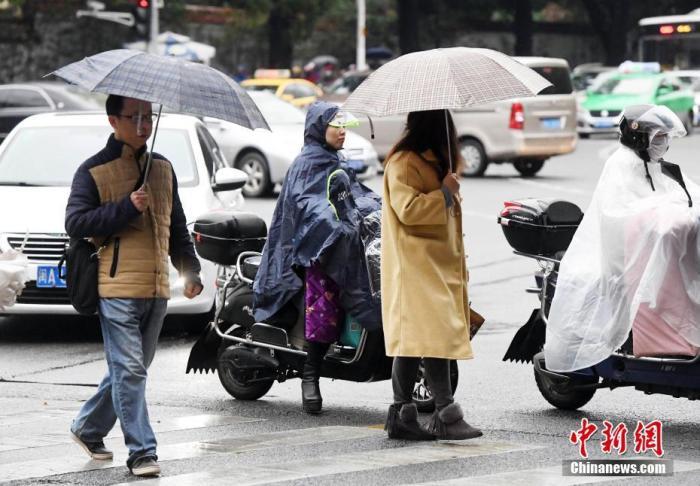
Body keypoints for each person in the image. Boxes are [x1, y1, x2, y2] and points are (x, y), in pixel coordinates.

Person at [65, 95, 203, 477]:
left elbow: (176, 226)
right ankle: (142, 452)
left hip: (157, 287)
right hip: (115, 286)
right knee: (130, 370)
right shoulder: (93, 170)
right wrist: (126, 206)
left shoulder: (163, 168)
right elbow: (75, 223)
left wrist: (190, 271)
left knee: (130, 370)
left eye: (148, 117)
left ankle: (87, 427)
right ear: (113, 120)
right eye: (134, 117)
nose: (143, 125)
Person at [544, 104, 700, 372]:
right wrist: (666, 215)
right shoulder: (621, 164)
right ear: (639, 137)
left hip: (656, 246)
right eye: (658, 137)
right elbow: (622, 211)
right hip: (624, 254)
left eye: (665, 137)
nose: (663, 143)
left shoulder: (657, 164)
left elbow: (686, 194)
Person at [253, 101, 381, 414]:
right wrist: (334, 227)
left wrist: (378, 209)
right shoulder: (306, 164)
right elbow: (307, 208)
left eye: (344, 126)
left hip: (344, 246)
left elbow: (353, 196)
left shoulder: (336, 160)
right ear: (318, 128)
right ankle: (310, 374)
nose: (342, 132)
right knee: (325, 302)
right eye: (334, 125)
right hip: (312, 252)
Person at [381, 110, 483, 441]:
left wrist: (446, 188)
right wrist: (443, 193)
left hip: (435, 264)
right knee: (432, 337)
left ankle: (404, 415)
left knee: (418, 341)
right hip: (415, 266)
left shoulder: (435, 161)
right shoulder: (404, 162)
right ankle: (445, 414)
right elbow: (408, 210)